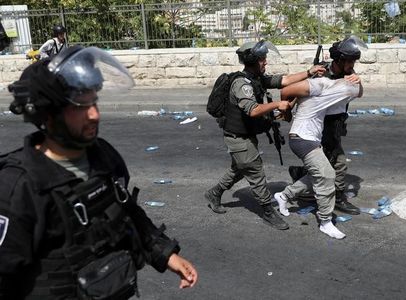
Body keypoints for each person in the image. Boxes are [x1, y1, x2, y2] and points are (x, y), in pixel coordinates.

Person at [0, 45, 197, 299]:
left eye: (94, 100)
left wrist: (166, 254)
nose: (94, 114)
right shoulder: (18, 187)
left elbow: (127, 211)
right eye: (80, 105)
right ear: (49, 114)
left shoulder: (101, 155)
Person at [204, 40, 325, 230]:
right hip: (238, 138)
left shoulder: (256, 78)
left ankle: (214, 193)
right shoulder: (241, 84)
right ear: (252, 61)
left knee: (240, 168)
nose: (265, 62)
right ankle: (268, 210)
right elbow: (252, 110)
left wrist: (310, 72)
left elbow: (283, 81)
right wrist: (277, 104)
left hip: (245, 135)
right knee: (255, 171)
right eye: (262, 59)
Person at [274, 67, 364, 239]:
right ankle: (325, 222)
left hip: (311, 139)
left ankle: (284, 195)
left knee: (317, 174)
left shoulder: (330, 92)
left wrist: (357, 79)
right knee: (327, 174)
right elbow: (285, 90)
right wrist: (286, 111)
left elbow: (358, 92)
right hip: (301, 138)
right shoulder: (320, 85)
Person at [288, 36, 367, 215]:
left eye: (354, 60)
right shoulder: (321, 72)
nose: (353, 64)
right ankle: (337, 197)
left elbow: (359, 93)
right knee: (337, 163)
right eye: (350, 61)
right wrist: (288, 107)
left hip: (336, 124)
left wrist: (358, 80)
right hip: (318, 124)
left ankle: (300, 173)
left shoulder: (349, 75)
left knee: (328, 160)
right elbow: (300, 90)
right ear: (339, 59)